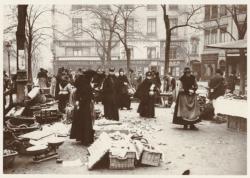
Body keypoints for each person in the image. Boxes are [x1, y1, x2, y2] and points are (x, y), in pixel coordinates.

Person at [70, 70, 95, 146]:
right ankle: (86, 139)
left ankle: (82, 138)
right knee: (86, 122)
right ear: (89, 76)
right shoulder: (86, 84)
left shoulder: (83, 82)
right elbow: (86, 94)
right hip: (84, 105)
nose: (92, 79)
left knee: (82, 121)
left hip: (82, 105)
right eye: (92, 77)